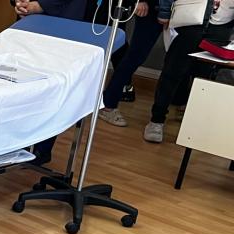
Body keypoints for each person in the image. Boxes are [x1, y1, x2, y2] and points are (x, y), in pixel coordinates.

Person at [143, 0, 232, 143]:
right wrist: (165, 12)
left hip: (222, 25)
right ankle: (156, 121)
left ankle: (194, 125)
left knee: (205, 78)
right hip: (190, 19)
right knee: (173, 71)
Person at [14, 0, 86, 166]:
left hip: (63, 25)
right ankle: (16, 143)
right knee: (22, 84)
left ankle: (41, 147)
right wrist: (20, 2)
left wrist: (39, 5)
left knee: (51, 88)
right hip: (30, 23)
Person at [97, 0, 164, 127]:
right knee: (135, 56)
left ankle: (181, 102)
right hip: (153, 8)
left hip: (184, 9)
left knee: (181, 60)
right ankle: (108, 105)